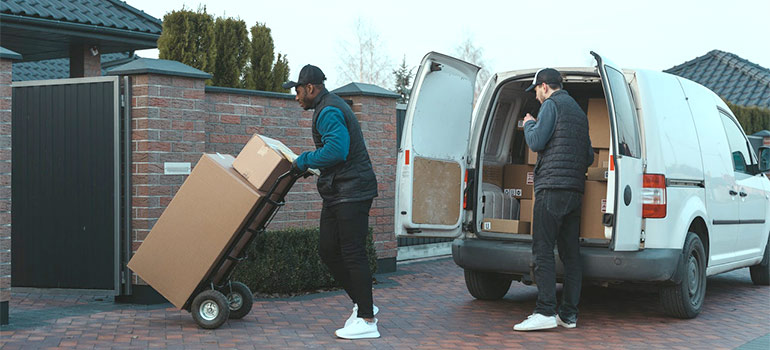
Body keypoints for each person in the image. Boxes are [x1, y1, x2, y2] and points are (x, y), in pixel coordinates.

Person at [282, 65, 380, 339]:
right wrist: (310, 166)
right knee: (327, 250)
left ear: (310, 87)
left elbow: (337, 150)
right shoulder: (326, 107)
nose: (296, 96)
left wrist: (304, 160)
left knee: (353, 253)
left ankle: (367, 319)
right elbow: (335, 153)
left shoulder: (328, 111)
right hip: (340, 191)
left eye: (298, 90)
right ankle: (364, 304)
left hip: (352, 192)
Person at [514, 68, 594, 331]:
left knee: (543, 250)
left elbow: (536, 142)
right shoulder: (579, 113)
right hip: (574, 191)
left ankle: (545, 311)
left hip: (551, 188)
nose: (536, 96)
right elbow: (589, 156)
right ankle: (568, 315)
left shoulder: (550, 105)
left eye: (536, 90)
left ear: (545, 87)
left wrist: (529, 124)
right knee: (571, 255)